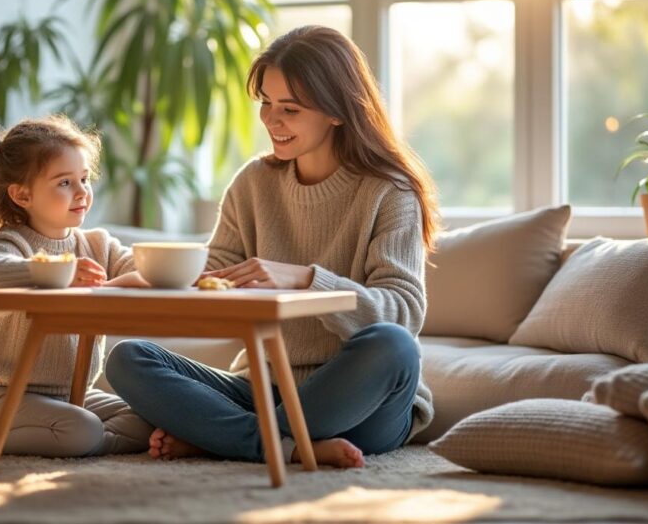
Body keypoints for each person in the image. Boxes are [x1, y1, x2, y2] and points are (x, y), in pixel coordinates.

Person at [106, 25, 441, 469]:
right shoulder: (253, 183)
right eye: (266, 103)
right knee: (128, 358)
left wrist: (307, 279)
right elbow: (215, 274)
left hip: (361, 408)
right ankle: (279, 443)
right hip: (264, 390)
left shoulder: (389, 191)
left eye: (290, 108)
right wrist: (153, 277)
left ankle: (227, 438)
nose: (271, 120)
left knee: (394, 345)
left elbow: (402, 312)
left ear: (337, 111)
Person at [0, 115, 152, 457]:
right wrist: (60, 272)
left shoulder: (97, 244)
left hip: (75, 393)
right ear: (22, 195)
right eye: (64, 183)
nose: (81, 192)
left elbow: (140, 269)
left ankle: (86, 442)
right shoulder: (10, 244)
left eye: (84, 178)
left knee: (146, 418)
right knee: (82, 428)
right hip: (5, 395)